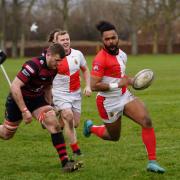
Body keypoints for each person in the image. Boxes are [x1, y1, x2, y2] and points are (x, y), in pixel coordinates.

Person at [83, 21, 165, 173]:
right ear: (102, 40)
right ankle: (91, 128)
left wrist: (132, 80)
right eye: (107, 39)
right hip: (108, 102)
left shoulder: (122, 55)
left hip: (124, 95)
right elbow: (94, 85)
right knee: (113, 136)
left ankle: (152, 162)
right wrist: (118, 85)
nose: (111, 41)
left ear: (118, 37)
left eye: (113, 37)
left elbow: (120, 76)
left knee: (146, 121)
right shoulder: (100, 59)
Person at [0, 44, 81, 173]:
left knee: (54, 124)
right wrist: (24, 111)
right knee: (6, 134)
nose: (59, 64)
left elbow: (47, 87)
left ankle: (65, 162)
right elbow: (15, 87)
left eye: (61, 61)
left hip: (36, 100)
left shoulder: (54, 68)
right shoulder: (32, 65)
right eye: (57, 60)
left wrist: (50, 106)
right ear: (48, 55)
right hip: (18, 100)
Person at [52, 30, 92, 157]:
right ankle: (76, 150)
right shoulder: (53, 57)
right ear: (57, 42)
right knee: (68, 116)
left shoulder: (78, 54)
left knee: (74, 123)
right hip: (60, 94)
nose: (66, 41)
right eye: (62, 40)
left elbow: (85, 70)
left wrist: (88, 86)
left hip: (76, 94)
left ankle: (52, 121)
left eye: (67, 39)